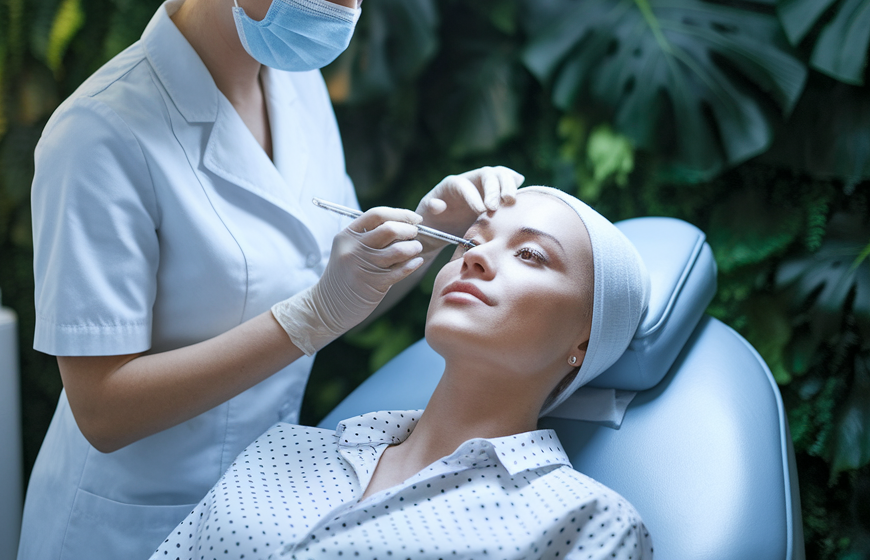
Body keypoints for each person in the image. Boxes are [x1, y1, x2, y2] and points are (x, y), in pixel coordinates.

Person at [16, 0, 524, 560]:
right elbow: (102, 409)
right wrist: (311, 317)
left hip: (254, 509)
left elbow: (335, 290)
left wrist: (421, 234)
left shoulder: (296, 86)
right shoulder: (101, 132)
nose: (343, 16)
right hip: (127, 525)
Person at [150, 187, 654, 560]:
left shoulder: (586, 522)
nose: (475, 256)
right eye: (469, 242)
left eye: (529, 254)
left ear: (583, 343)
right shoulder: (283, 449)